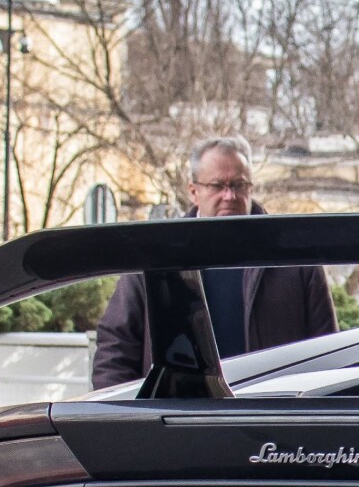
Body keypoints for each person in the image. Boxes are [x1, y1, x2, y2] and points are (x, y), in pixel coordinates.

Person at [89, 135, 339, 388]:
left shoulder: (295, 259)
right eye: (217, 185)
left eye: (239, 185)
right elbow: (116, 347)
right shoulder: (158, 257)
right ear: (194, 191)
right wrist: (121, 420)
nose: (229, 196)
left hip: (271, 415)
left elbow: (328, 351)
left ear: (251, 187)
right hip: (177, 419)